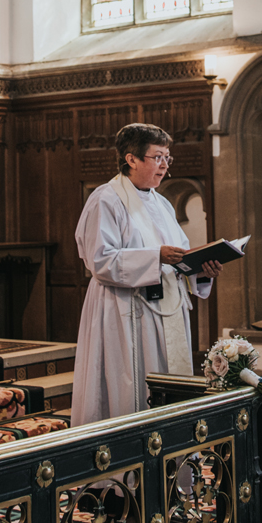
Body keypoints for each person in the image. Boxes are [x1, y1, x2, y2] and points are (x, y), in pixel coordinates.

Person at [71, 124, 221, 426]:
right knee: (131, 387)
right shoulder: (106, 199)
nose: (164, 165)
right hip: (125, 312)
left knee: (169, 386)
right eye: (157, 157)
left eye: (167, 158)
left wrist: (201, 270)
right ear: (131, 159)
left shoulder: (161, 202)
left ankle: (172, 465)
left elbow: (180, 253)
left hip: (167, 312)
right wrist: (155, 257)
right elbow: (100, 260)